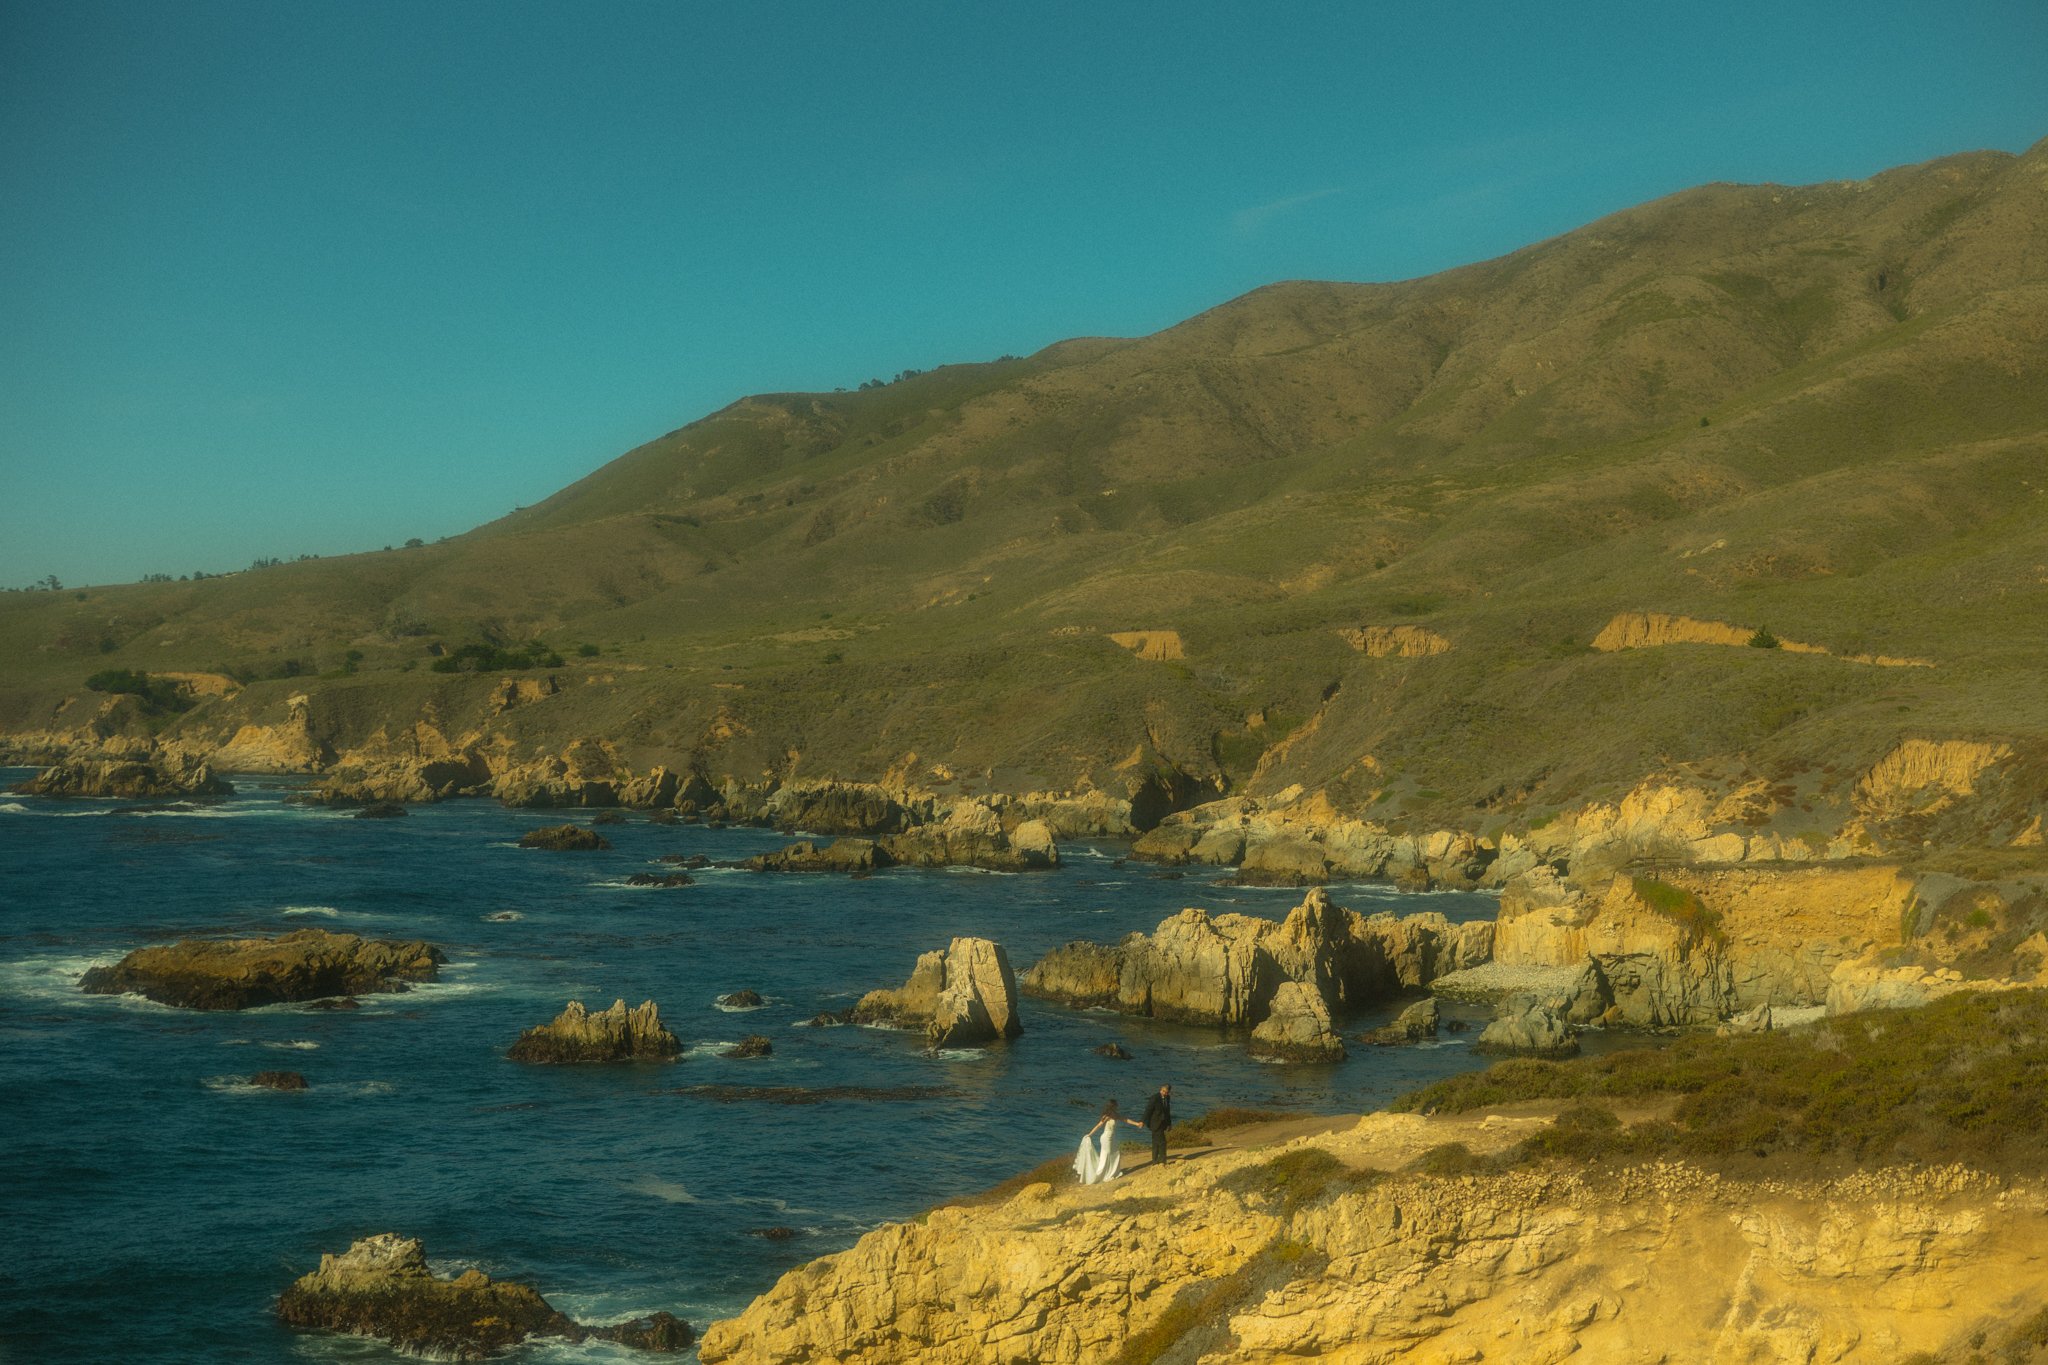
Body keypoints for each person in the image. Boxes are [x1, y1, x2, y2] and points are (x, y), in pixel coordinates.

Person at [1073, 1098, 1143, 1184]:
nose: (1117, 1107)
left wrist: (1137, 1124)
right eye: (1116, 1105)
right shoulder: (1107, 1116)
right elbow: (1099, 1125)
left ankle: (1111, 1173)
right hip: (1106, 1138)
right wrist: (1090, 1134)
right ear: (1113, 1106)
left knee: (1115, 1153)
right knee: (1106, 1155)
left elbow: (1125, 1120)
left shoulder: (1115, 1115)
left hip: (1112, 1138)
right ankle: (1103, 1175)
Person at [1142, 1083, 1172, 1167]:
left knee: (1156, 1143)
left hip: (1163, 1124)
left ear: (1168, 1092)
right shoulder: (1154, 1098)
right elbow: (1148, 1110)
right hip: (1155, 1123)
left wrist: (1169, 1124)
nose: (1164, 1093)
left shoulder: (1168, 1098)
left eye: (1166, 1092)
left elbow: (1167, 1112)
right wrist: (1142, 1121)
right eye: (1163, 1091)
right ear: (1161, 1089)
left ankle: (1155, 1162)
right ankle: (1162, 1161)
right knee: (1162, 1142)